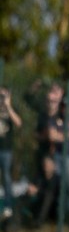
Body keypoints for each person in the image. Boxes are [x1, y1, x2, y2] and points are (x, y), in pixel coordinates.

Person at [0, 86, 23, 218]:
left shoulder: (11, 110)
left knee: (7, 178)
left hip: (6, 150)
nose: (1, 99)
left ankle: (8, 206)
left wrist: (8, 106)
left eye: (3, 96)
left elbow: (19, 123)